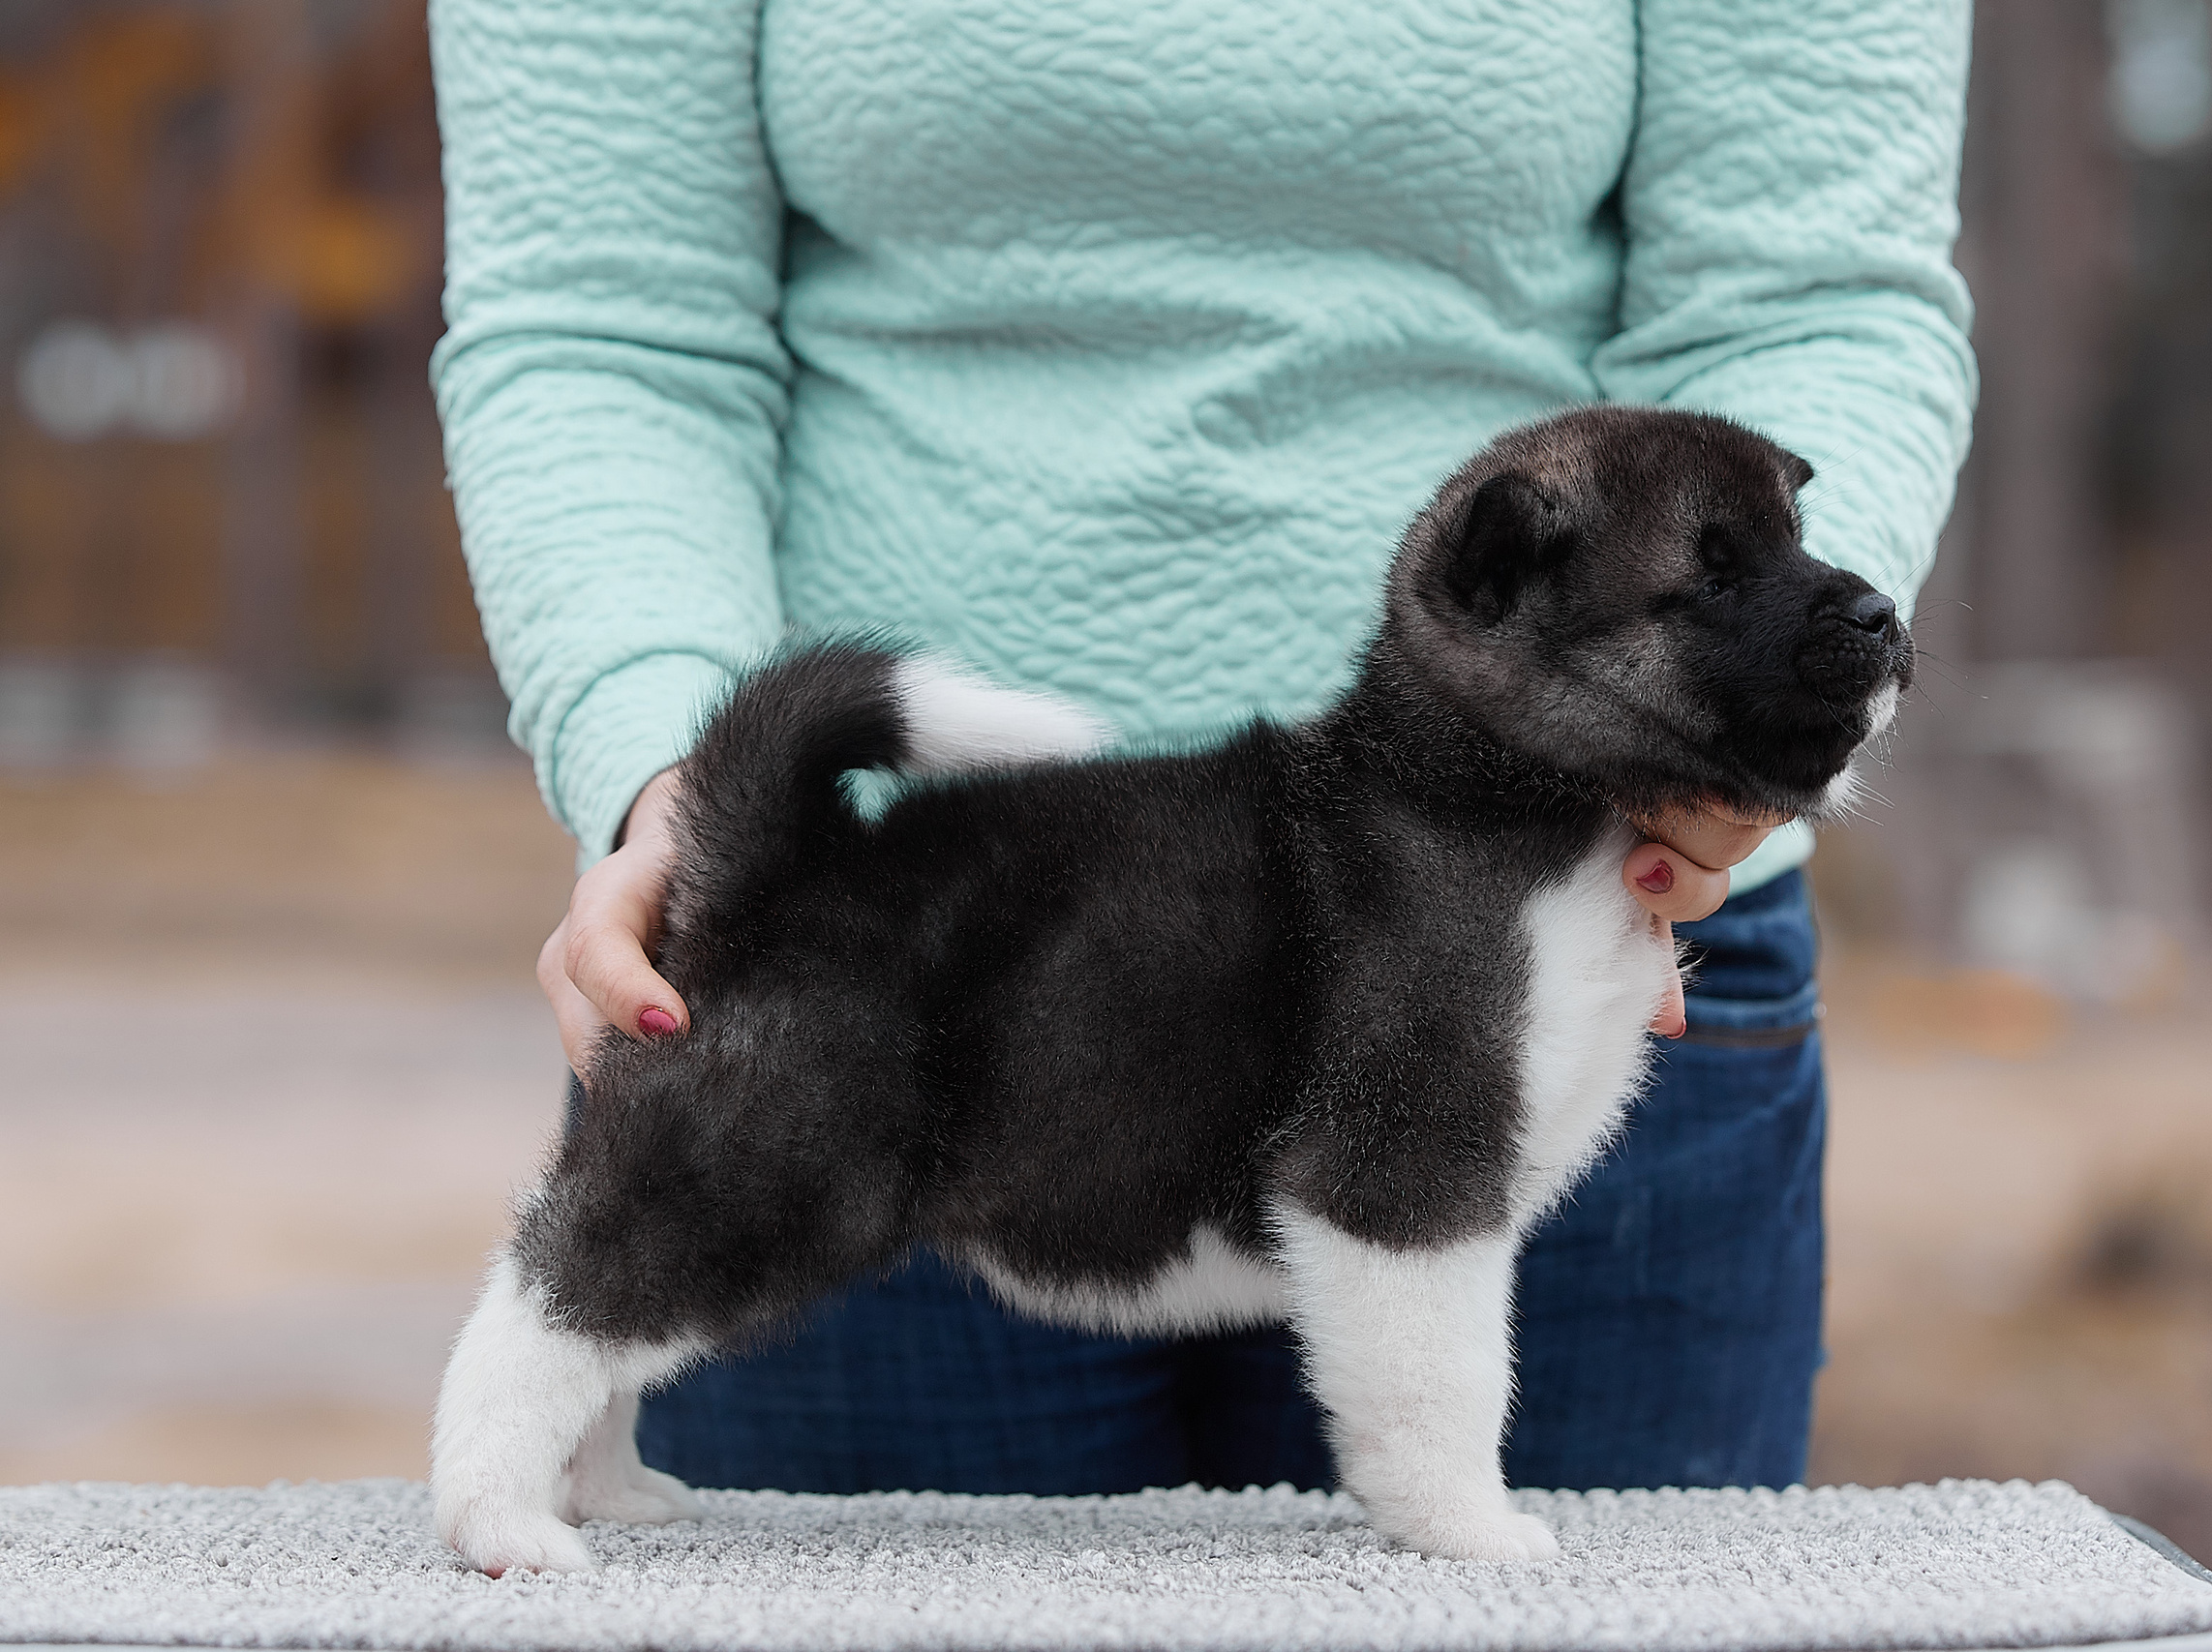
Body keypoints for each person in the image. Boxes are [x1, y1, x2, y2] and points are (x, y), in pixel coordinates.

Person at [429, 0, 1977, 1496]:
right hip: (912, 946)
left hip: (1624, 914)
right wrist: (669, 778)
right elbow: (601, 319)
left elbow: (1813, 289)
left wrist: (1749, 745)